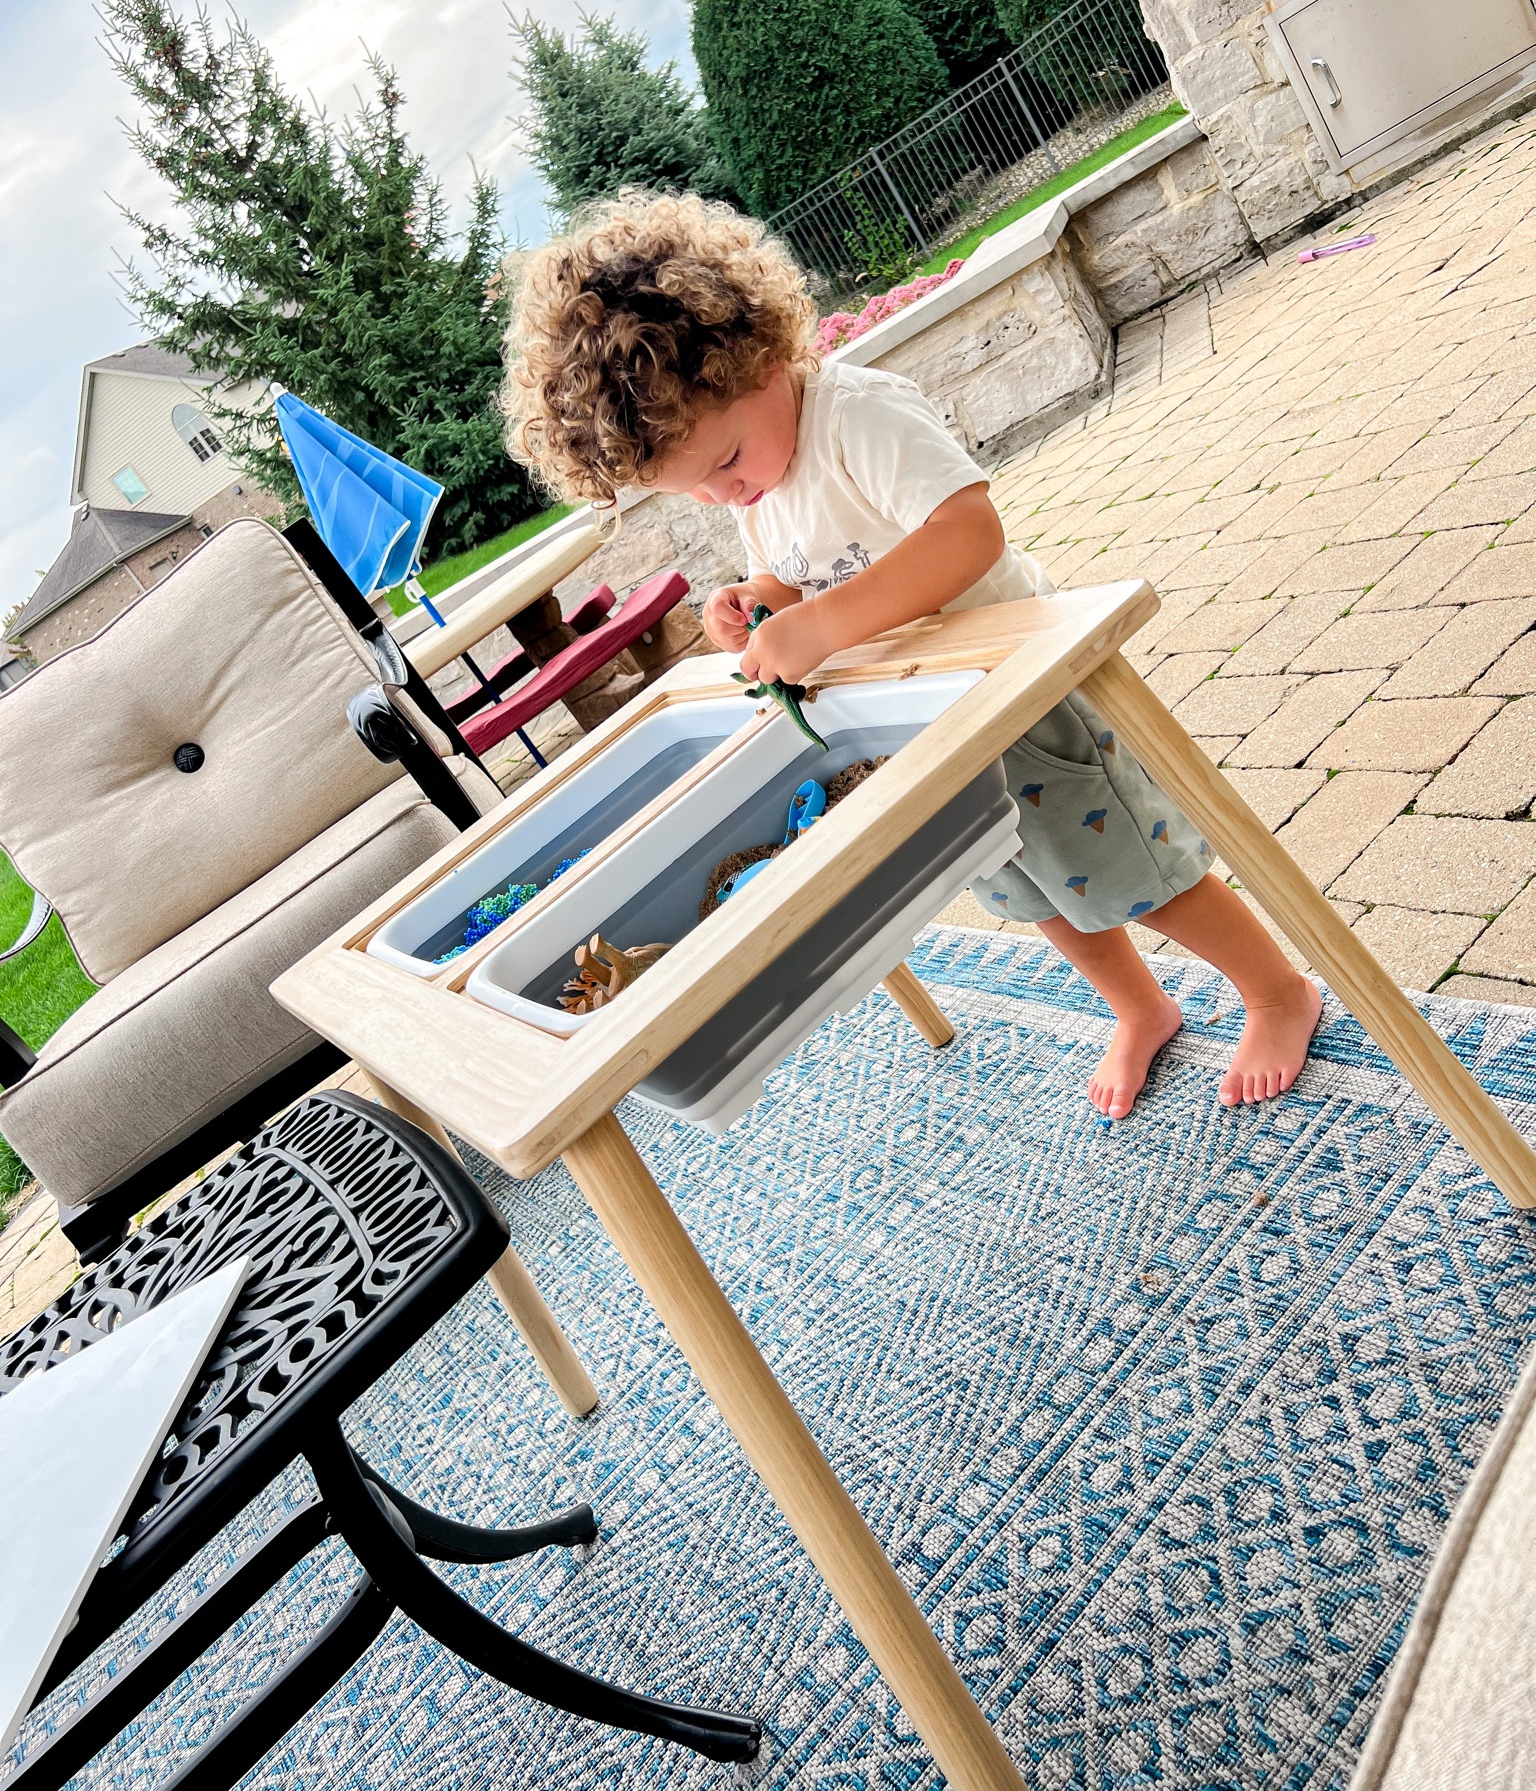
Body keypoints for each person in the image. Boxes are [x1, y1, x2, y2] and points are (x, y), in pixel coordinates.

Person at [507, 191, 1322, 1119]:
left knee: (1134, 869)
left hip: (1018, 692)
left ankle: (1275, 991)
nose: (728, 492)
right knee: (1028, 887)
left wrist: (815, 628)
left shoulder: (859, 417)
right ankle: (1141, 1006)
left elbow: (966, 536)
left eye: (727, 460)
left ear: (760, 356)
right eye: (697, 490)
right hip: (921, 722)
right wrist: (760, 607)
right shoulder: (755, 488)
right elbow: (797, 581)